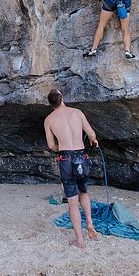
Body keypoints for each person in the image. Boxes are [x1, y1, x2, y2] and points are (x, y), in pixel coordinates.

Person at [43, 89, 99, 249]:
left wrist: (62, 147)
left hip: (66, 158)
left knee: (72, 201)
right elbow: (91, 134)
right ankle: (89, 222)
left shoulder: (49, 120)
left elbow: (51, 145)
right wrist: (93, 140)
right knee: (84, 192)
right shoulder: (77, 113)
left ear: (51, 103)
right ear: (62, 99)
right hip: (81, 157)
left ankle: (80, 240)